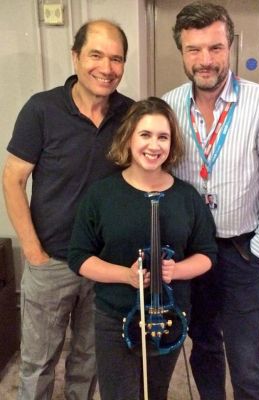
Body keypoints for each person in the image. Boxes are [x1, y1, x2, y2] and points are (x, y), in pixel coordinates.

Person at [162, 2, 259, 400]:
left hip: (241, 252)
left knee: (246, 360)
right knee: (203, 349)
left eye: (215, 48)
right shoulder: (168, 106)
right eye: (194, 49)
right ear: (182, 52)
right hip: (190, 255)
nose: (205, 60)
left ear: (231, 46)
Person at [2, 19, 133, 400]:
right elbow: (12, 179)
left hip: (105, 265)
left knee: (89, 361)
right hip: (52, 263)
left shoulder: (130, 115)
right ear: (75, 57)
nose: (106, 68)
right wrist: (33, 252)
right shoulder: (41, 109)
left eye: (116, 58)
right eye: (96, 55)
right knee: (38, 362)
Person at [68, 97, 217, 400]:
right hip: (115, 315)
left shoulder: (187, 196)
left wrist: (177, 269)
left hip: (168, 314)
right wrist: (126, 275)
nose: (154, 145)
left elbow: (207, 254)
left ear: (172, 143)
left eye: (163, 137)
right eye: (145, 135)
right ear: (129, 138)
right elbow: (79, 257)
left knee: (156, 393)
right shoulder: (101, 195)